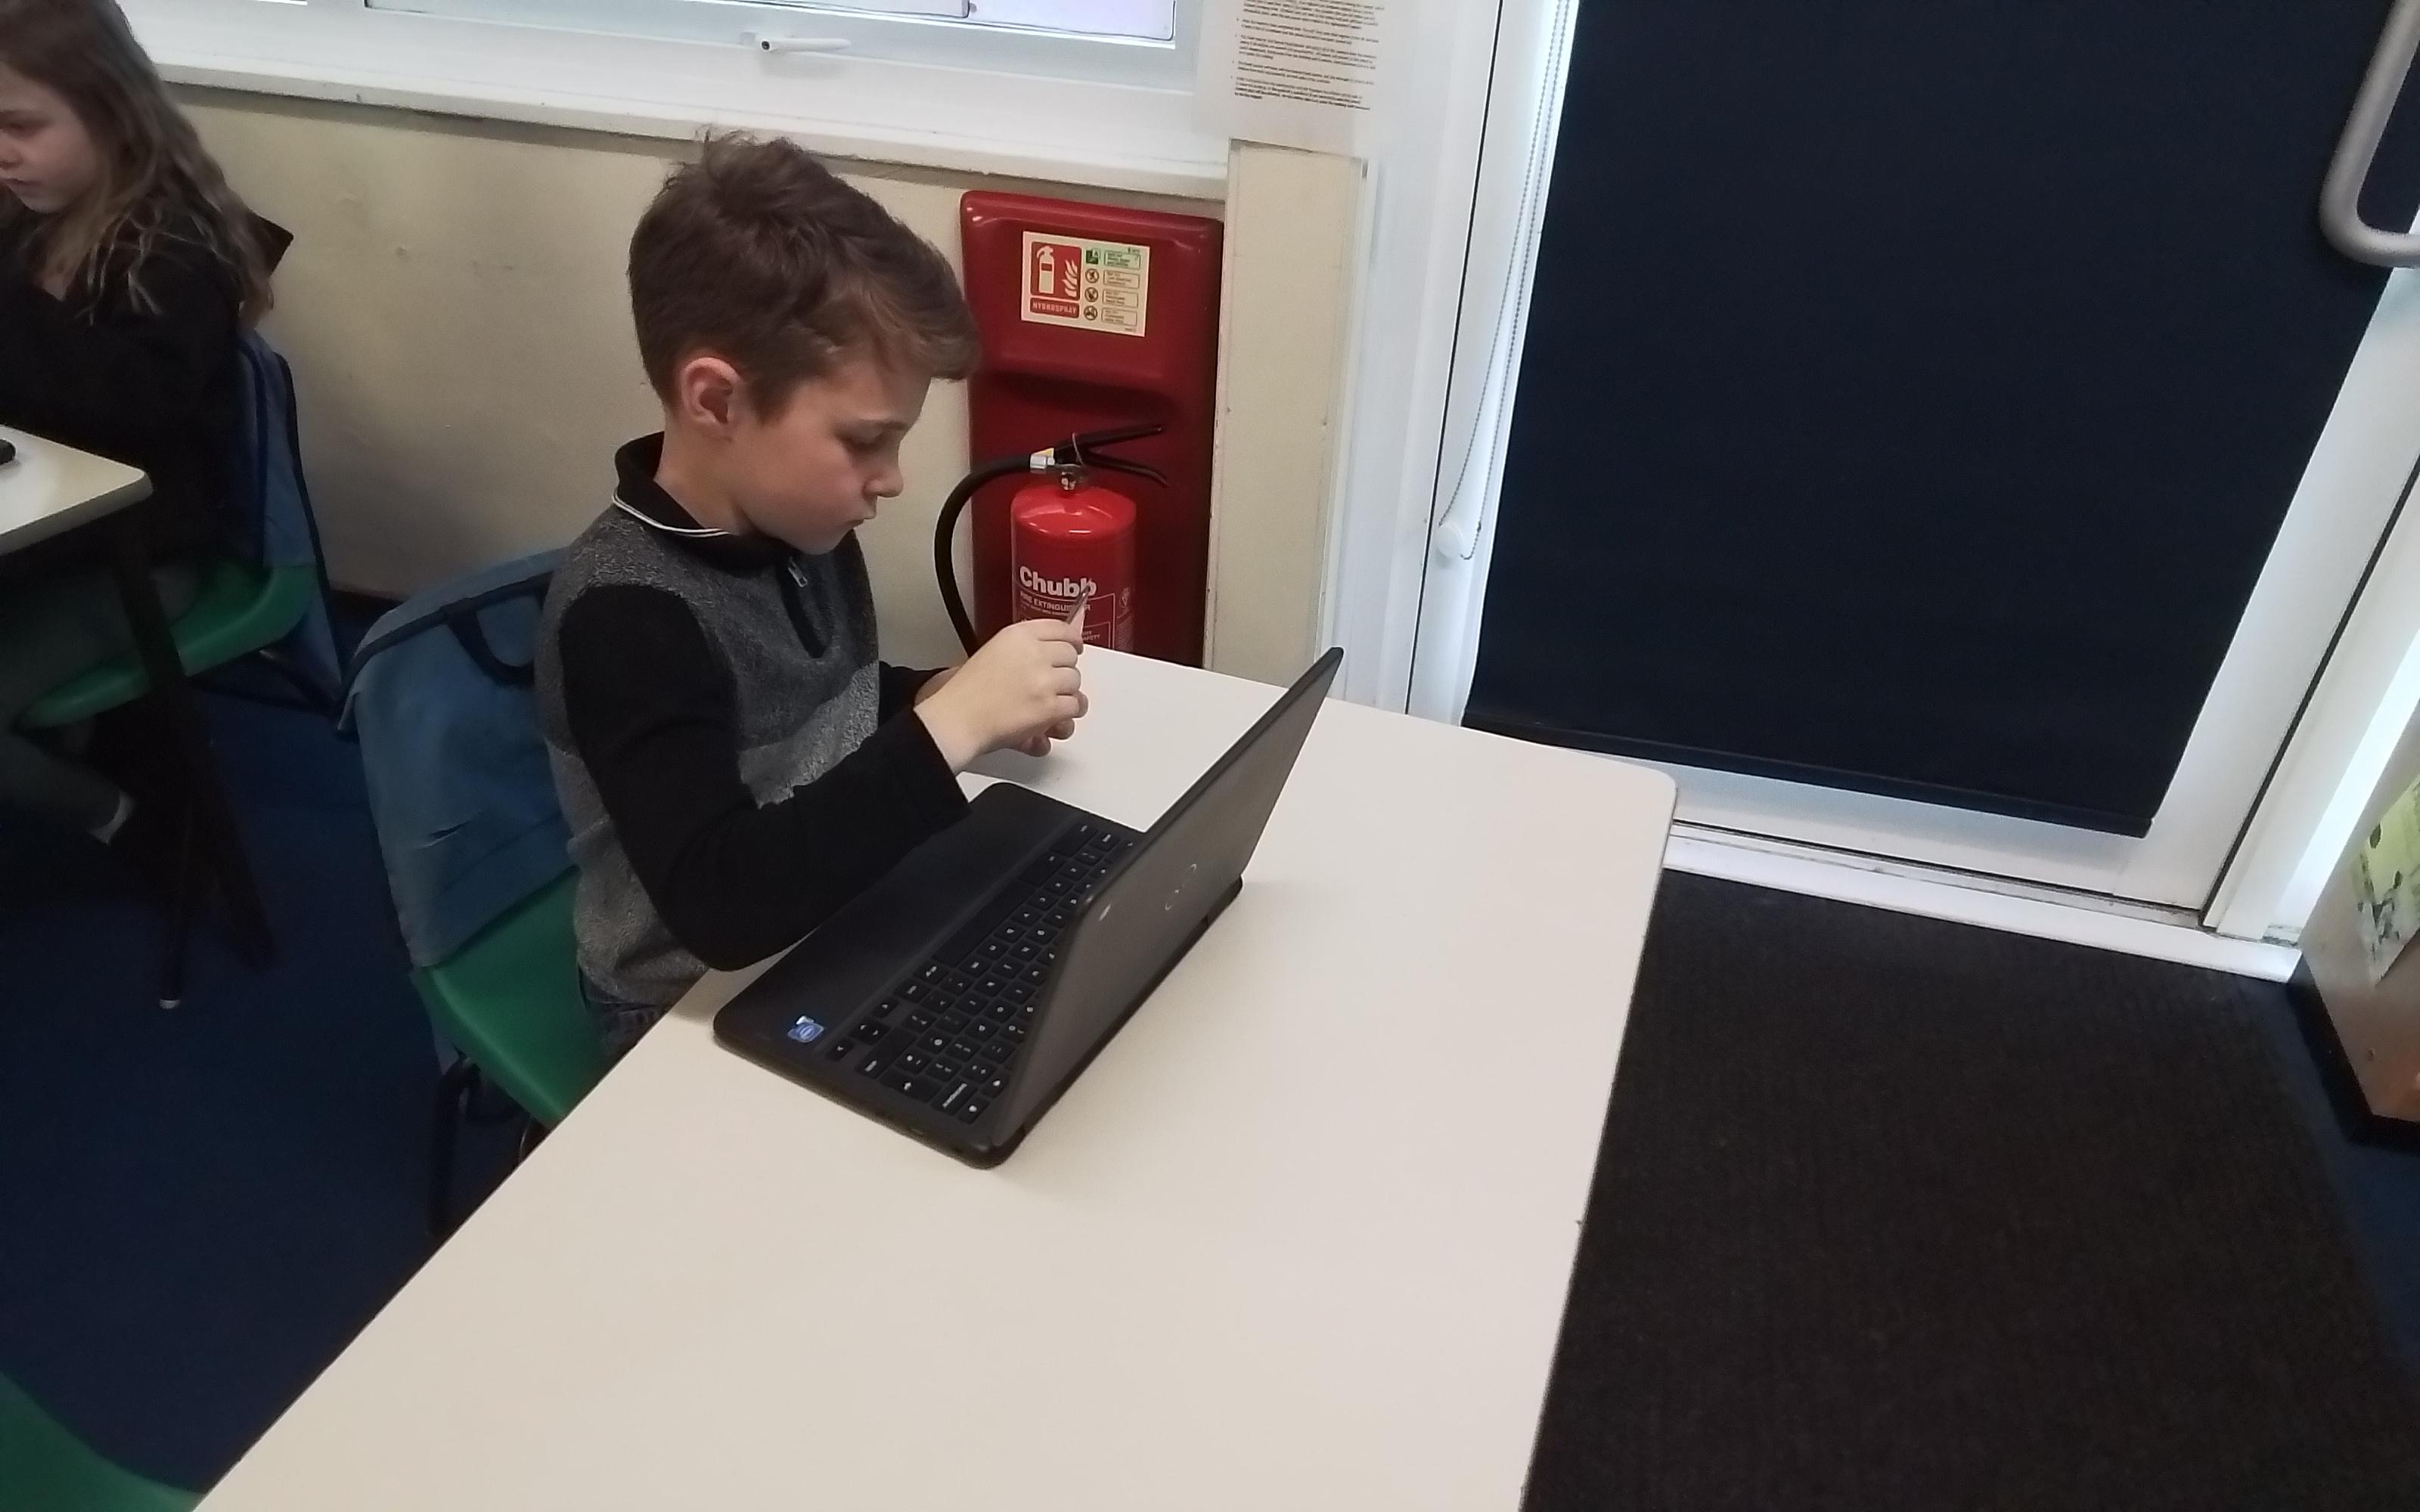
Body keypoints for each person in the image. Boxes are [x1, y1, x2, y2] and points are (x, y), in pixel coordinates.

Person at [538, 135, 1087, 1054]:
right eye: (865, 440)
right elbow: (721, 903)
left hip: (820, 918)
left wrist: (937, 693)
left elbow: (817, 706)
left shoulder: (796, 522)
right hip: (683, 997)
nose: (892, 477)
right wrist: (946, 731)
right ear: (717, 401)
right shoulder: (625, 620)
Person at [0, 0, 283, 844]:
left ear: (113, 112)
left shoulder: (175, 252)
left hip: (136, 556)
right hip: (45, 532)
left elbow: (120, 412)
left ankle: (121, 819)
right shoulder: (31, 218)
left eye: (20, 126)